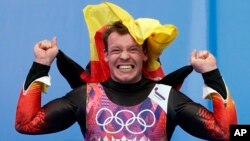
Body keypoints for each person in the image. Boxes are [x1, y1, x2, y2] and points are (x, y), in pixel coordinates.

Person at [15, 20, 237, 140]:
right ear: (106, 56)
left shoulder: (166, 98)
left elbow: (231, 133)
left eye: (133, 49)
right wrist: (41, 64)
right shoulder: (86, 97)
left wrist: (211, 72)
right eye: (116, 50)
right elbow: (25, 124)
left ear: (145, 55)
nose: (124, 56)